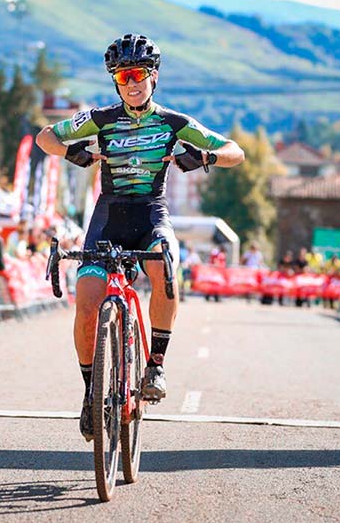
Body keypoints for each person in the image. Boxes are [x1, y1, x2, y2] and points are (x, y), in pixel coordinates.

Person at [35, 33, 245, 442]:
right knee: (87, 306)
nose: (132, 83)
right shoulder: (101, 119)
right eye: (123, 76)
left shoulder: (174, 123)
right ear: (116, 81)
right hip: (108, 215)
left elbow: (236, 151)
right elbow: (46, 137)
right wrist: (72, 153)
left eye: (139, 74)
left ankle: (156, 364)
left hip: (151, 213)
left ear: (154, 77)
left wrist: (204, 156)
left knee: (166, 263)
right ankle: (91, 393)